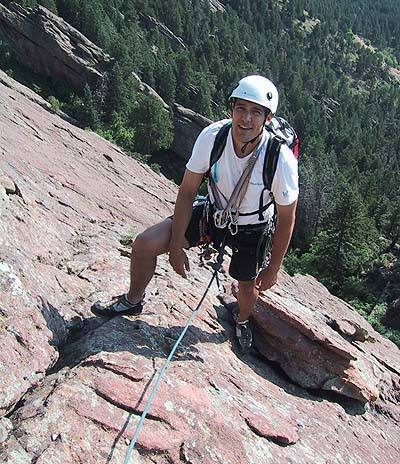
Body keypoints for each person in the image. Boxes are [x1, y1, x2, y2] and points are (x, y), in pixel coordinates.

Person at [91, 75, 299, 353]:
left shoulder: (279, 158)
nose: (246, 119)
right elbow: (188, 190)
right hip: (213, 212)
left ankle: (242, 319)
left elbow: (287, 218)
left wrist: (273, 268)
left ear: (267, 119)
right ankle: (132, 300)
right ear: (231, 109)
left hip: (252, 227)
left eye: (255, 112)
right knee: (144, 245)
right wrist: (176, 245)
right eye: (240, 109)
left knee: (247, 287)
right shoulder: (214, 137)